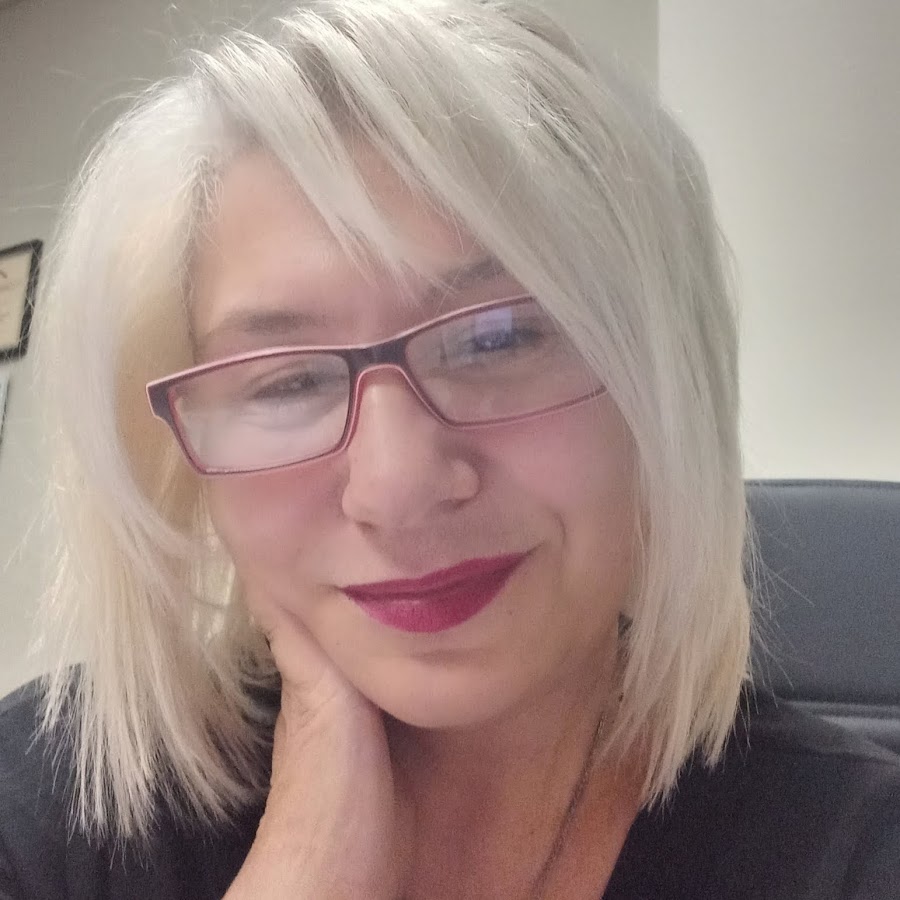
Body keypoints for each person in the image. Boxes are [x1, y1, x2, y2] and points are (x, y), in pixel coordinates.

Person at [0, 1, 897, 897]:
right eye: (287, 382)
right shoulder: (50, 806)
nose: (395, 486)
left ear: (662, 381)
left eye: (497, 338)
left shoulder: (856, 850)